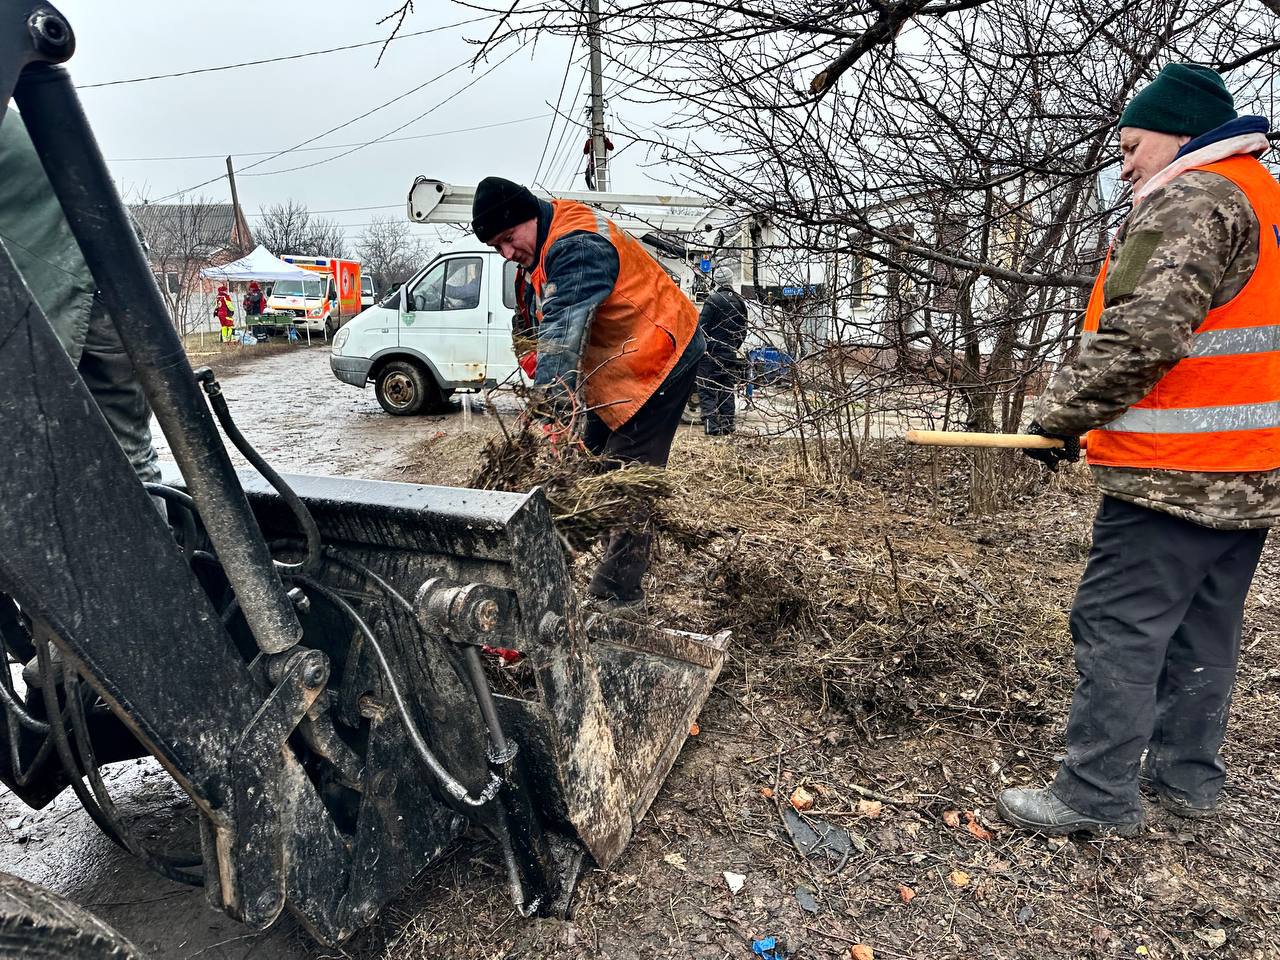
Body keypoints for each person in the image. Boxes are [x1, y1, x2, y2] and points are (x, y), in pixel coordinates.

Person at [998, 63, 1278, 835]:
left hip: (1172, 475)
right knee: (1205, 628)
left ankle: (1093, 795)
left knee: (1118, 622)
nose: (1124, 164)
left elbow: (1142, 336)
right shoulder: (1267, 199)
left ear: (1182, 135)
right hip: (1250, 473)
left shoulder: (1195, 197)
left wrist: (1057, 417)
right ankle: (1188, 780)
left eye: (1132, 145)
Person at [471, 176, 705, 609]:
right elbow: (537, 319)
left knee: (627, 480)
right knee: (586, 467)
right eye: (496, 247)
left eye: (508, 239)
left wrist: (549, 414)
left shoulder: (576, 245)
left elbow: (561, 332)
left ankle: (616, 597)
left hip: (663, 354)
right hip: (618, 361)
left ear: (528, 216)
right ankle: (553, 561)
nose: (507, 253)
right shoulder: (539, 243)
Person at [0, 108, 159, 485]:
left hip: (80, 272)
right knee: (127, 450)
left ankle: (140, 542)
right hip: (106, 257)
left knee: (120, 452)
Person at [696, 265, 748, 435]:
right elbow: (743, 330)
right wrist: (733, 347)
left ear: (716, 281)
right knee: (726, 389)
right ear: (731, 281)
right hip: (730, 353)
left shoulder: (713, 300)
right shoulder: (740, 302)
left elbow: (702, 328)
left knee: (706, 387)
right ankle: (727, 425)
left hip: (711, 354)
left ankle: (711, 425)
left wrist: (704, 349)